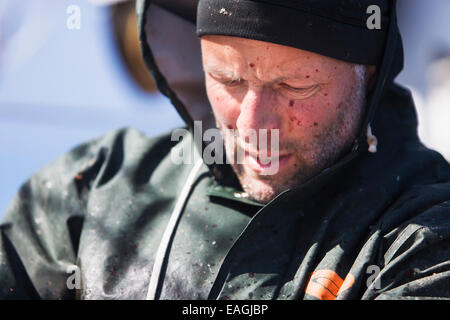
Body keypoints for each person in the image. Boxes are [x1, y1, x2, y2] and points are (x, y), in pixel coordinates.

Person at [1, 0, 449, 300]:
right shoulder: (96, 187)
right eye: (227, 80)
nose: (254, 125)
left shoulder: (422, 238)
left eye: (294, 85)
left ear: (367, 74)